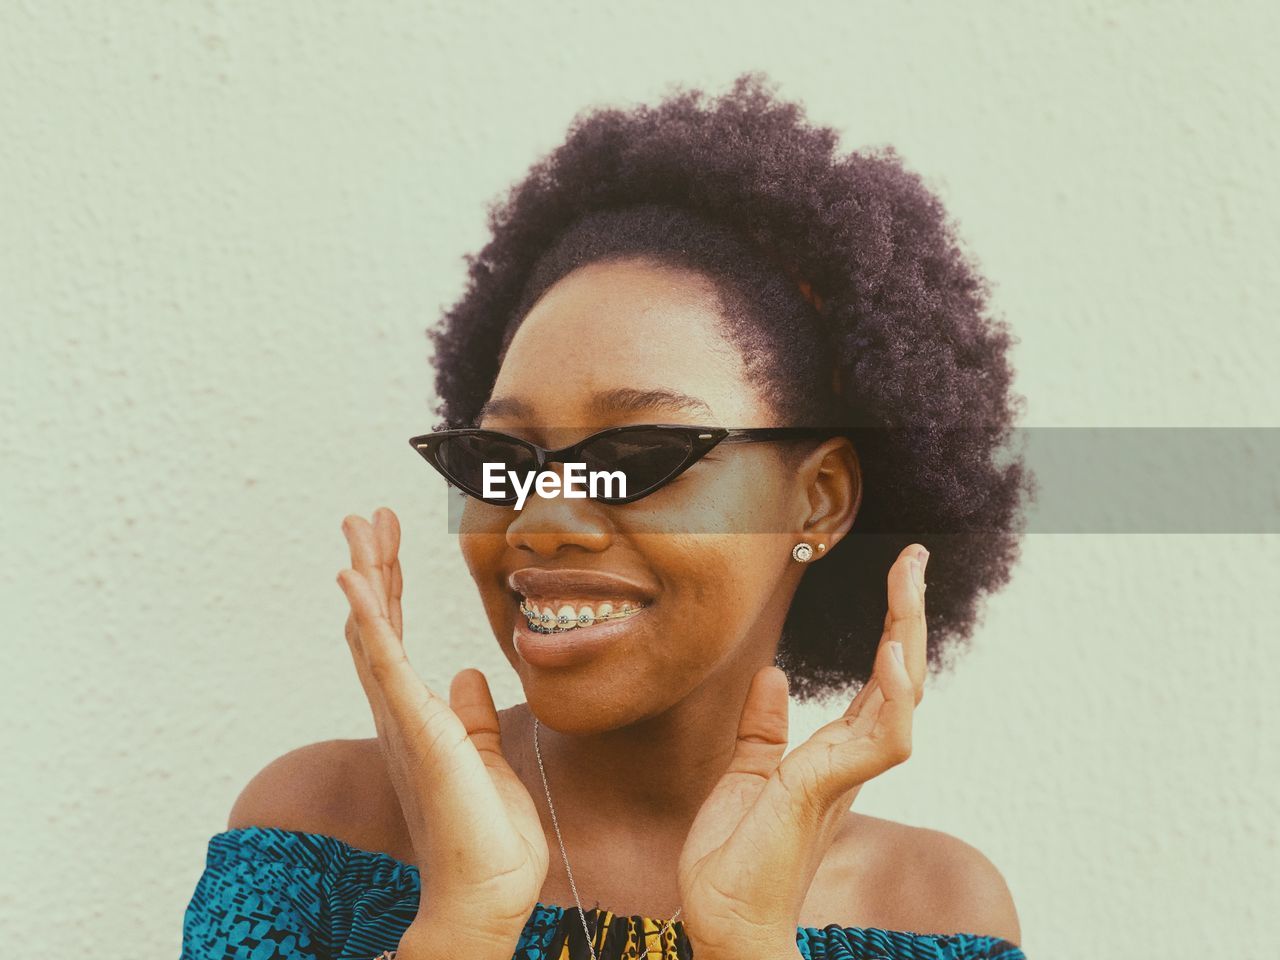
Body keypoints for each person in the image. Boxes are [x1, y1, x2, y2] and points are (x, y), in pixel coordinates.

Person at [182, 72, 1033, 960]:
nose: (541, 516)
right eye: (504, 459)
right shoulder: (320, 833)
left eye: (635, 456)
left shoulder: (932, 911)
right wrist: (465, 922)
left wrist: (748, 940)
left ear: (817, 497)